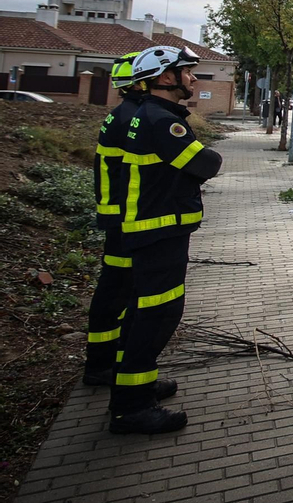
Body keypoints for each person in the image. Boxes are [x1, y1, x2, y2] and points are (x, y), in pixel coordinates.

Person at [107, 45, 223, 434]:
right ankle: (131, 409)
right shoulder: (162, 121)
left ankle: (135, 386)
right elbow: (207, 163)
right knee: (156, 316)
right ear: (165, 77)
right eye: (186, 72)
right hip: (159, 231)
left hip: (151, 229)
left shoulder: (147, 114)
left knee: (142, 313)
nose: (193, 78)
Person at [82, 52, 154, 389]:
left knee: (117, 290)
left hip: (117, 218)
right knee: (117, 292)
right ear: (140, 83)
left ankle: (105, 360)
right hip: (123, 222)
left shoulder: (123, 114)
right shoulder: (133, 118)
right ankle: (102, 365)